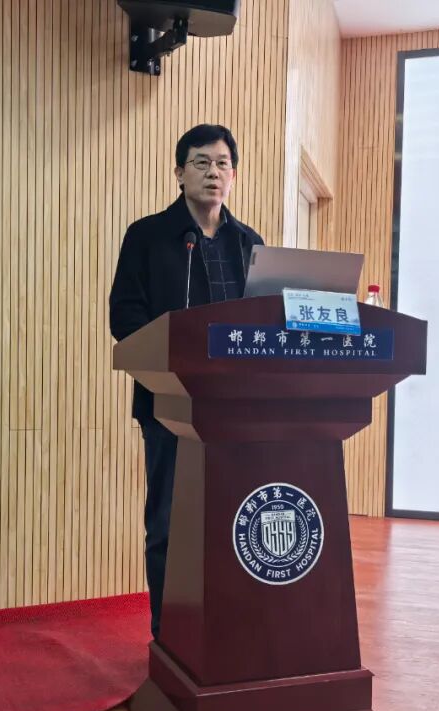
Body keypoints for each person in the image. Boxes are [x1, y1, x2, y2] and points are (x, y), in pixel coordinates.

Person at [108, 124, 265, 638]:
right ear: (179, 173)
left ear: (233, 175)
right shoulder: (147, 236)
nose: (212, 173)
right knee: (169, 524)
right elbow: (125, 317)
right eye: (201, 162)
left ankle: (228, 631)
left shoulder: (249, 244)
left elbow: (264, 324)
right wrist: (172, 360)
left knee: (234, 521)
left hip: (237, 410)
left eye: (222, 164)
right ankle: (170, 634)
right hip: (171, 404)